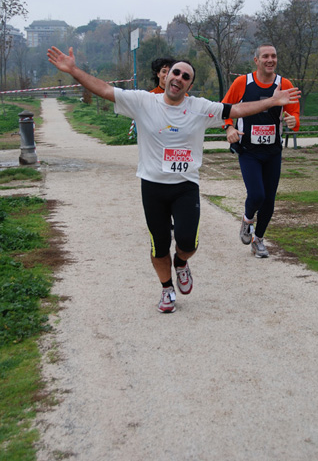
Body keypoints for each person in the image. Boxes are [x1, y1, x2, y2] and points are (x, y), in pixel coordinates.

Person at [47, 46, 300, 313]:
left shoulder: (200, 108)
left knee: (188, 243)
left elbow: (237, 109)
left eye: (185, 76)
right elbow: (103, 89)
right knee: (159, 246)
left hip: (185, 187)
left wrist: (272, 102)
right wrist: (73, 70)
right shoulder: (143, 101)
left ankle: (181, 263)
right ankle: (167, 289)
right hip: (152, 186)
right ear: (165, 77)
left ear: (189, 85)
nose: (178, 78)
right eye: (175, 73)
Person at [222, 44, 300, 258]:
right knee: (257, 194)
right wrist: (229, 127)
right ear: (256, 60)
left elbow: (294, 113)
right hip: (249, 150)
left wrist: (293, 121)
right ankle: (247, 220)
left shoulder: (284, 84)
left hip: (273, 151)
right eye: (265, 56)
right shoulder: (242, 83)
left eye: (273, 56)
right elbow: (224, 108)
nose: (270, 60)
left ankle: (258, 240)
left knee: (269, 201)